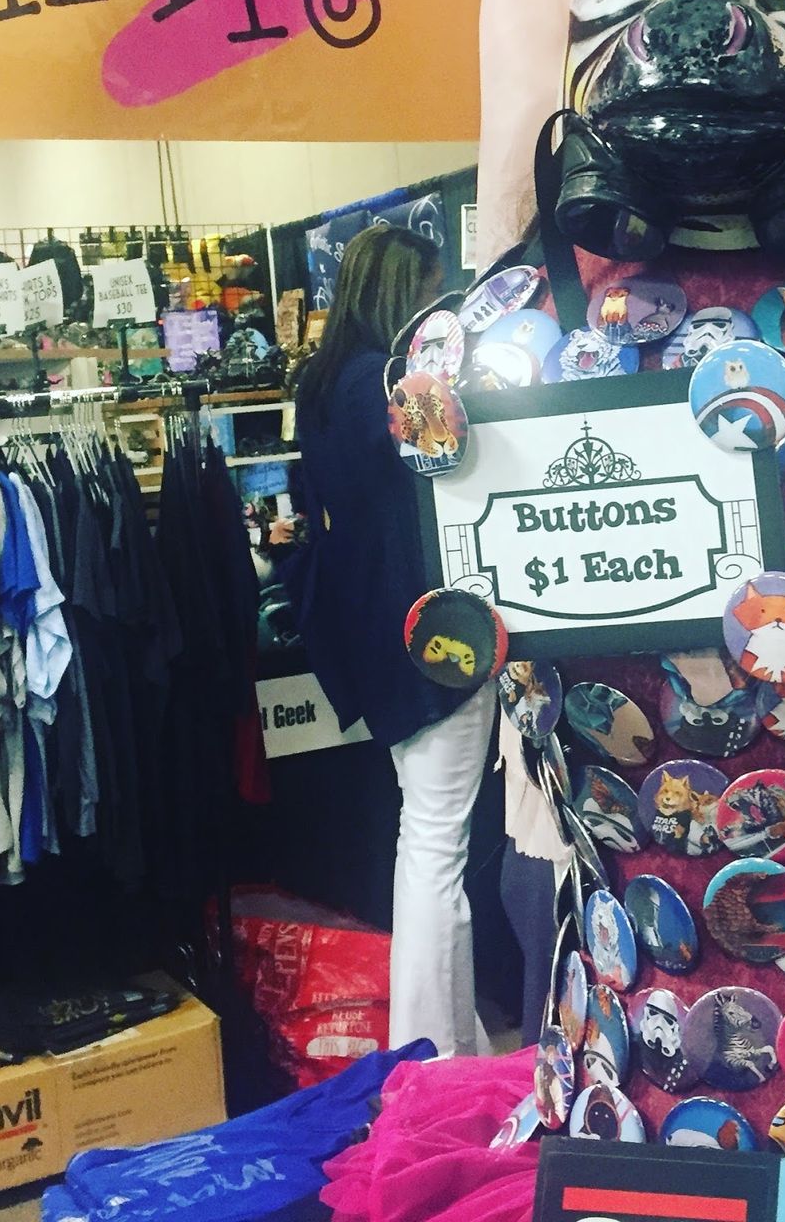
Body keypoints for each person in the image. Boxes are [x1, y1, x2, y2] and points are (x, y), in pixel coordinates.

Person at [287, 223, 494, 1057]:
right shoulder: (392, 383)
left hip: (368, 622)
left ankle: (451, 1041)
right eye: (432, 291)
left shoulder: (320, 381)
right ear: (409, 292)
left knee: (424, 832)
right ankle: (430, 1051)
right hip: (430, 625)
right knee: (437, 844)